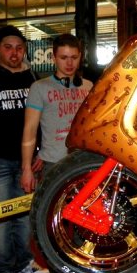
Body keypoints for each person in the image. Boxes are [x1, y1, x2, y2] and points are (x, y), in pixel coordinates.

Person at [0, 25, 50, 273]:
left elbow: (43, 118)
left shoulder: (33, 78)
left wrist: (40, 151)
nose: (14, 53)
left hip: (27, 162)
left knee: (24, 218)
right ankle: (2, 272)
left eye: (19, 48)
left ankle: (23, 264)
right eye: (8, 47)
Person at [21, 33, 93, 193]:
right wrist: (26, 169)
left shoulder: (88, 86)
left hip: (84, 162)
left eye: (74, 57)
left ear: (80, 57)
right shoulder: (39, 87)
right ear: (54, 58)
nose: (69, 63)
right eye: (63, 57)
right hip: (53, 164)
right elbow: (30, 129)